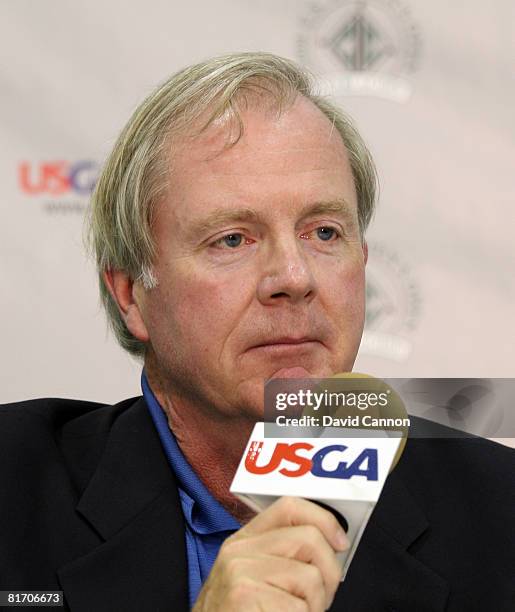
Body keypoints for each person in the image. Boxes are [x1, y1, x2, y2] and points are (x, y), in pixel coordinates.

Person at [1, 52, 513, 612]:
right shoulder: (14, 484)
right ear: (132, 295)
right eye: (233, 239)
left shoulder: (500, 511)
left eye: (323, 231)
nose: (294, 278)